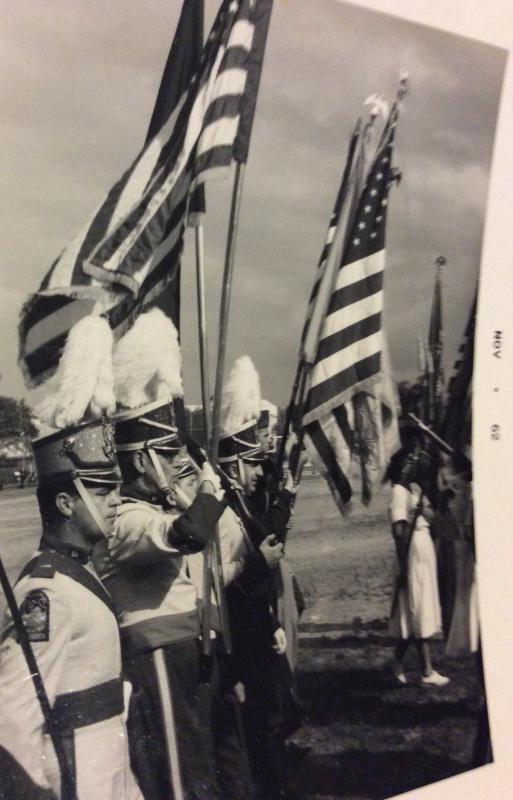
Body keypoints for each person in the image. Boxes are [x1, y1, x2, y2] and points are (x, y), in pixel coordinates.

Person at [0, 418, 143, 800]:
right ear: (65, 503)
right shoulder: (45, 593)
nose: (117, 500)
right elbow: (13, 713)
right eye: (101, 492)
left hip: (110, 757)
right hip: (78, 771)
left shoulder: (79, 572)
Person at [92, 398, 225, 800]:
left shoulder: (147, 508)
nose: (176, 464)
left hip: (177, 651)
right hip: (157, 656)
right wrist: (206, 489)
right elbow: (192, 533)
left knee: (196, 762)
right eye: (165, 457)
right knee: (178, 773)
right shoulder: (126, 519)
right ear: (139, 463)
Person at [216, 355, 296, 800]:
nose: (256, 471)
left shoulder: (242, 506)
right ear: (231, 466)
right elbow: (226, 585)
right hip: (242, 640)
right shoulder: (227, 513)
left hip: (258, 629)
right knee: (259, 730)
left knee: (271, 721)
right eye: (248, 463)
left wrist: (272, 622)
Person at [175, 457, 253, 800]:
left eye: (194, 481)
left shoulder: (204, 527)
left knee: (230, 747)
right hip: (197, 647)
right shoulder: (182, 532)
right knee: (208, 752)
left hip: (219, 643)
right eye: (186, 482)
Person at [386, 439, 450, 687]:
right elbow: (399, 533)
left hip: (423, 548)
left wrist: (426, 507)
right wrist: (403, 567)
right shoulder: (399, 492)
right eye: (413, 457)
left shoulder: (415, 489)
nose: (418, 460)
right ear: (404, 463)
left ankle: (397, 660)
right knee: (417, 606)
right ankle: (427, 670)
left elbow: (435, 521)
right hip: (411, 553)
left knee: (417, 608)